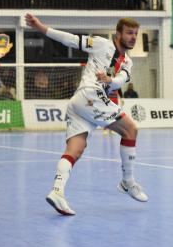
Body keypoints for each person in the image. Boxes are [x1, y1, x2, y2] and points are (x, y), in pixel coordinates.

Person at [25, 13, 148, 216]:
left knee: (75, 150)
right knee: (131, 130)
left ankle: (57, 192)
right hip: (90, 95)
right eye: (129, 33)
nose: (133, 37)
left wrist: (110, 80)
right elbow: (70, 39)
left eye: (135, 33)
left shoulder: (128, 62)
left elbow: (121, 80)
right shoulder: (101, 44)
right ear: (118, 34)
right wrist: (41, 27)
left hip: (80, 105)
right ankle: (128, 182)